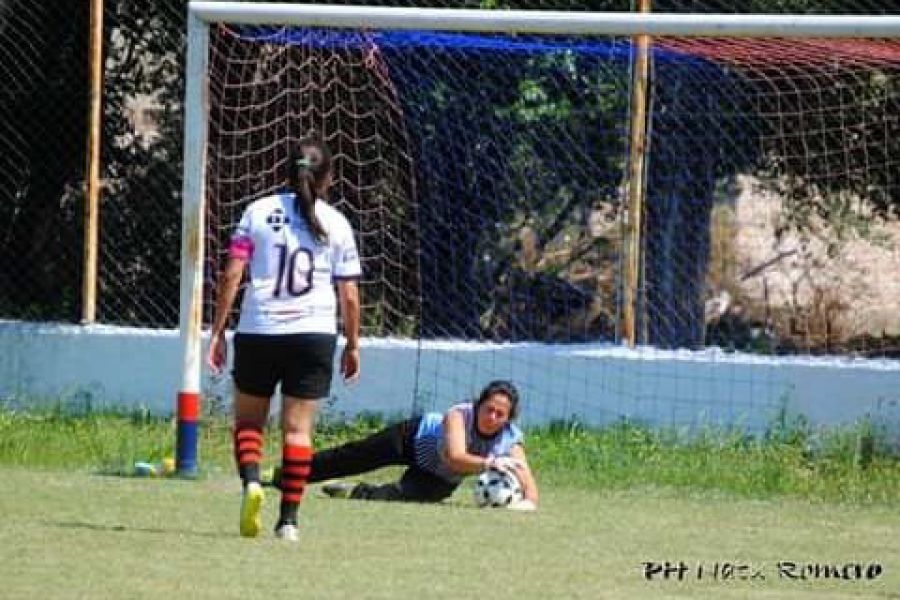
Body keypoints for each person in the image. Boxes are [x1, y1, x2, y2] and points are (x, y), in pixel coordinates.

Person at [207, 135, 362, 541]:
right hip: (313, 336)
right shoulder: (338, 223)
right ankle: (289, 521)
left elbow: (232, 273)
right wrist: (353, 343)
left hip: (260, 330)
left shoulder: (255, 213)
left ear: (286, 171)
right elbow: (349, 293)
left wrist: (218, 331)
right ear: (327, 179)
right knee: (298, 432)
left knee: (247, 423)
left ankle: (253, 482)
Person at [272, 380, 539, 511]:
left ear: (508, 418)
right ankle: (283, 475)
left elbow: (528, 483)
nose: (492, 417)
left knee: (397, 497)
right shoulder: (459, 415)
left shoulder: (509, 438)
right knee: (352, 456)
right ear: (478, 404)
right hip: (412, 440)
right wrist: (490, 463)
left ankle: (355, 492)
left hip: (437, 477)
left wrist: (525, 503)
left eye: (500, 414)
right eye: (488, 409)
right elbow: (454, 456)